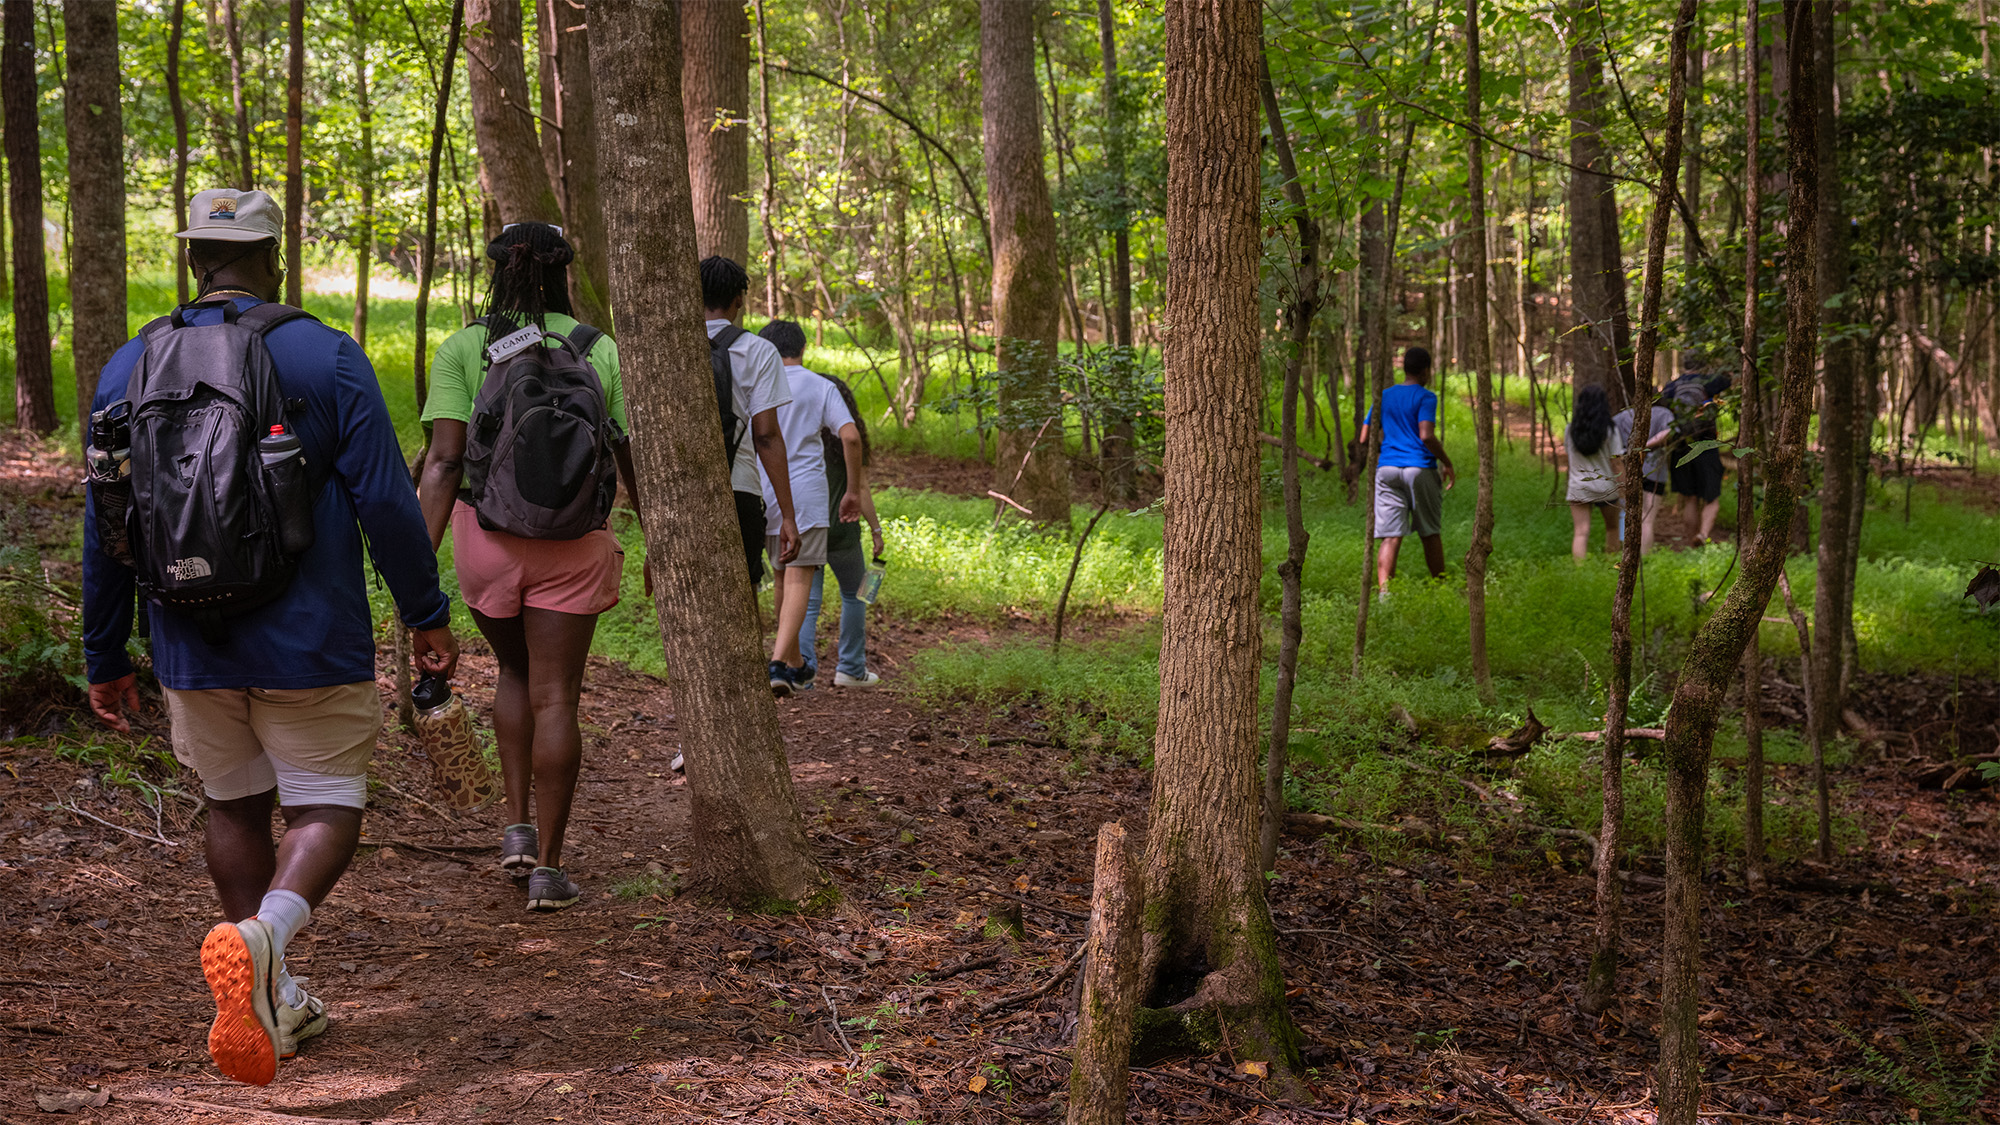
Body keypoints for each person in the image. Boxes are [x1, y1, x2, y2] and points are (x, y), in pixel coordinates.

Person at [82, 188, 460, 1086]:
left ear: (190, 261)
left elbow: (107, 521)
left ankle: (273, 996)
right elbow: (386, 501)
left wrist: (105, 652)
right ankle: (264, 940)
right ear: (274, 258)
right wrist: (425, 612)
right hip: (310, 633)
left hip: (186, 635)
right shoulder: (326, 354)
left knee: (234, 804)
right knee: (328, 803)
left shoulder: (127, 365)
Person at [417, 221, 641, 912]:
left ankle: (514, 828)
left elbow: (447, 459)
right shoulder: (598, 349)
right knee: (556, 697)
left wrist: (414, 572)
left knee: (512, 673)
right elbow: (628, 454)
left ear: (497, 274)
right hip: (576, 545)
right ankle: (549, 864)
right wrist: (657, 536)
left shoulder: (465, 346)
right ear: (565, 273)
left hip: (487, 540)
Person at [758, 321, 885, 689]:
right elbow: (854, 451)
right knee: (856, 594)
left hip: (774, 503)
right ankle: (839, 666)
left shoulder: (761, 386)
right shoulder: (822, 392)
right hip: (834, 527)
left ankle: (801, 662)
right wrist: (874, 528)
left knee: (796, 590)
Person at [702, 256, 800, 591]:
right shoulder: (759, 350)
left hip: (685, 492)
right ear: (739, 300)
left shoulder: (671, 347)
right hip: (739, 488)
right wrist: (787, 515)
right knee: (741, 595)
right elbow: (767, 436)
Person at [1355, 346, 1456, 598]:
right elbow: (1426, 435)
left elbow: (1364, 436)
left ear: (1404, 368)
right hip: (1418, 469)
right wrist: (1447, 462)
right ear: (1425, 371)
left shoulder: (1383, 396)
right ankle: (1441, 589)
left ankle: (1384, 595)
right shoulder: (1426, 397)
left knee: (1390, 535)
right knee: (1430, 532)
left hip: (1386, 470)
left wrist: (1388, 450)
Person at [1658, 370, 1734, 545]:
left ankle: (1691, 541)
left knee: (1689, 497)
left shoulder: (1672, 386)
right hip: (1706, 444)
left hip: (1681, 446)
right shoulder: (1709, 379)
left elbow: (1663, 404)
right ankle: (1702, 534)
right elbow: (1728, 381)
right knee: (1712, 499)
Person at [1563, 383, 1624, 560]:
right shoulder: (1610, 431)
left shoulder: (1570, 430)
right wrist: (1624, 487)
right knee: (1612, 528)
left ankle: (1579, 573)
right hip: (1606, 487)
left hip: (1578, 487)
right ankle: (1611, 566)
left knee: (1581, 533)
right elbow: (1617, 462)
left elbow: (1569, 457)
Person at [1612, 394, 1676, 554]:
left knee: (1626, 513)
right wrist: (1646, 445)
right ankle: (1643, 557)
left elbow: (1609, 433)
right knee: (1647, 519)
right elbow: (1670, 431)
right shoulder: (1663, 412)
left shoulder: (1625, 415)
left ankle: (1625, 554)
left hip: (1627, 470)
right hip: (1654, 471)